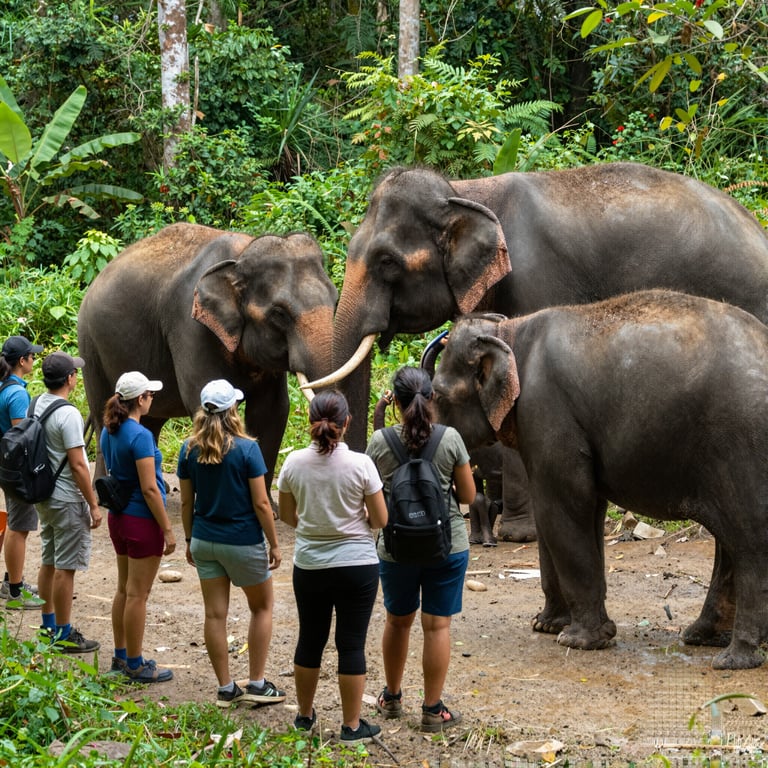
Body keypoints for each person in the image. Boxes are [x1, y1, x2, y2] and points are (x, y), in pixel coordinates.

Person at [366, 366, 475, 732]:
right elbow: (469, 497)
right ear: (431, 399)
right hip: (447, 547)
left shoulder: (380, 442)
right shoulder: (450, 438)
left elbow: (372, 501)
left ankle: (392, 698)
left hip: (395, 546)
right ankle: (432, 709)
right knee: (437, 626)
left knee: (398, 621)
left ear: (394, 402)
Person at [278, 390, 388, 744]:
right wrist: (358, 518)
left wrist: (316, 524)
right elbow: (380, 519)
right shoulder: (361, 464)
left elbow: (287, 515)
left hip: (310, 564)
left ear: (309, 422)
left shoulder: (293, 463)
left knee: (310, 639)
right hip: (357, 565)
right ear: (347, 422)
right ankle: (352, 726)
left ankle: (304, 716)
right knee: (351, 644)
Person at [177, 379, 284, 707]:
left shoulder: (188, 448)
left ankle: (226, 688)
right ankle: (257, 682)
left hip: (205, 540)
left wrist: (189, 538)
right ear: (232, 410)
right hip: (242, 541)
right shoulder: (247, 448)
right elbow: (262, 503)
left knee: (215, 615)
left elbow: (185, 502)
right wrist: (275, 544)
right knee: (261, 606)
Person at [100, 371, 175, 681]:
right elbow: (149, 489)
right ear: (140, 400)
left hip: (118, 519)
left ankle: (121, 657)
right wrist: (168, 528)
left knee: (123, 589)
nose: (152, 399)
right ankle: (135, 663)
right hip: (141, 520)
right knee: (138, 596)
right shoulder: (140, 436)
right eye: (150, 395)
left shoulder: (109, 430)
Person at [34, 352, 102, 652]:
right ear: (69, 379)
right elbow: (77, 464)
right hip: (65, 498)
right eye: (74, 373)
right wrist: (93, 504)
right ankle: (62, 633)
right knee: (66, 567)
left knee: (48, 560)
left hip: (43, 495)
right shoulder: (69, 414)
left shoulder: (36, 403)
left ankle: (47, 625)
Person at [0, 335, 44, 608]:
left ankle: (11, 581)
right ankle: (15, 590)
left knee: (14, 524)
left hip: (4, 466)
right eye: (32, 356)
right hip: (15, 469)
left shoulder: (4, 387)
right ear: (22, 361)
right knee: (19, 527)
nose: (34, 360)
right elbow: (21, 438)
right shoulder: (17, 394)